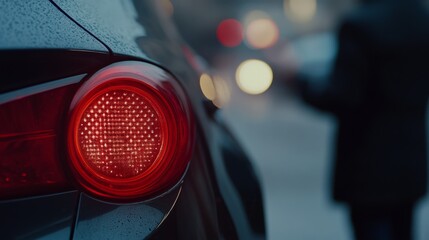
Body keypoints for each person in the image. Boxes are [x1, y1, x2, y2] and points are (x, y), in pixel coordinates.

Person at [291, 0, 429, 239]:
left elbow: (340, 97)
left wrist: (297, 80)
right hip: (410, 164)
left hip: (367, 167)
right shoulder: (420, 18)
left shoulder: (359, 25)